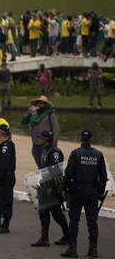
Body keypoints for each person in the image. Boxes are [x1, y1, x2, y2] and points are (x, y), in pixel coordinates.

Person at [61, 130, 108, 258]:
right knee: (92, 222)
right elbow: (103, 176)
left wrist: (64, 188)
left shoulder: (76, 154)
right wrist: (100, 191)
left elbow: (68, 174)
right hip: (92, 191)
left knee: (74, 221)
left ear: (80, 138)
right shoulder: (98, 155)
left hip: (78, 191)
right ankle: (93, 249)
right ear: (91, 139)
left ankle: (73, 249)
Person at [30, 131, 69, 248]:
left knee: (56, 213)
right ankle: (44, 238)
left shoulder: (54, 152)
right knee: (43, 211)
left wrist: (54, 188)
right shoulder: (44, 150)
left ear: (46, 140)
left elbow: (56, 172)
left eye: (41, 138)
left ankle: (67, 235)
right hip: (44, 185)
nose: (39, 140)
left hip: (52, 187)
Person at [21, 95, 60, 169]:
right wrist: (28, 113)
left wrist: (54, 146)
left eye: (42, 103)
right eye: (38, 102)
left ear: (46, 105)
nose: (40, 104)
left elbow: (56, 130)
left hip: (47, 146)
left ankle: (49, 180)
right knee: (41, 168)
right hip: (35, 145)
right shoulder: (33, 114)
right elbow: (23, 121)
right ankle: (44, 180)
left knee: (48, 168)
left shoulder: (50, 114)